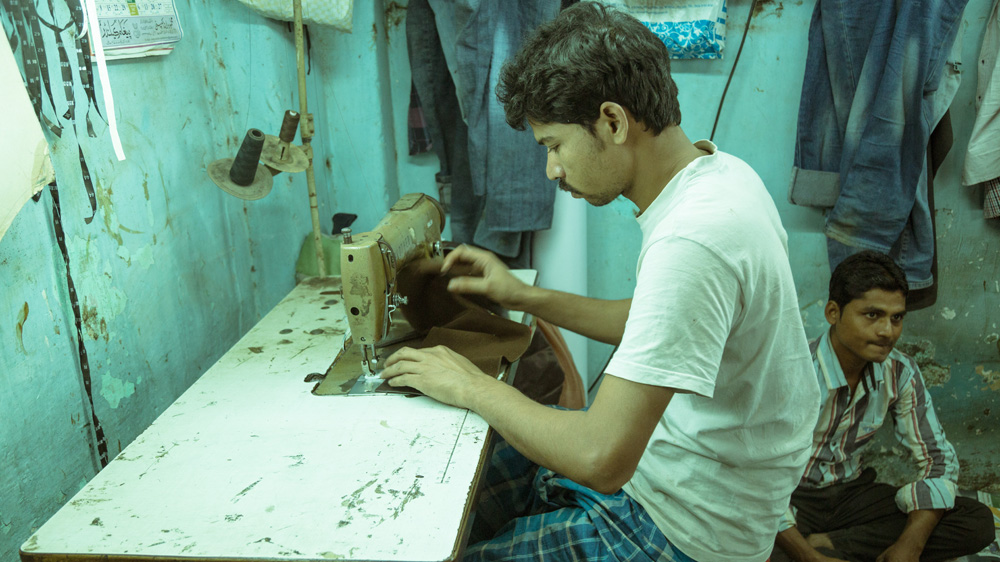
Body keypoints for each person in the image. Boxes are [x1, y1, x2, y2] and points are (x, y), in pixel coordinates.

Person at [381, 3, 820, 561]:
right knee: (463, 477)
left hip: (682, 524)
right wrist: (521, 295)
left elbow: (602, 459)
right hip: (670, 467)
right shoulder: (719, 173)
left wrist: (470, 385)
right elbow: (653, 323)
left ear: (612, 122)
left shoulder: (694, 238)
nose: (552, 171)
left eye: (554, 145)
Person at [772, 251, 995, 562]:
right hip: (788, 498)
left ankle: (834, 543)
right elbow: (756, 475)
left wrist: (910, 547)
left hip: (850, 495)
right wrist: (809, 557)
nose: (887, 331)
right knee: (747, 542)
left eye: (897, 318)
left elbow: (938, 459)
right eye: (872, 315)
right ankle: (817, 550)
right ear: (833, 312)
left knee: (976, 522)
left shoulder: (900, 372)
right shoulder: (792, 371)